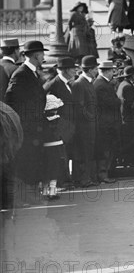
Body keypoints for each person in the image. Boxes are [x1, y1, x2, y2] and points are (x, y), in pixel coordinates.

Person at [5, 40, 48, 201]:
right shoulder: (21, 74)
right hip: (27, 128)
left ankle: (30, 195)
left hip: (35, 127)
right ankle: (24, 197)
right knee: (26, 161)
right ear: (36, 55)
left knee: (33, 159)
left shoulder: (31, 73)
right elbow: (11, 100)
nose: (44, 56)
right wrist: (24, 121)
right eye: (42, 54)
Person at [43, 57, 78, 188]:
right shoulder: (53, 85)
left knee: (66, 154)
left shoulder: (67, 84)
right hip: (58, 128)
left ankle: (65, 181)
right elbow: (47, 108)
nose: (75, 70)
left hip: (67, 127)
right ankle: (60, 183)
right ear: (66, 70)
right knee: (60, 156)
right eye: (73, 68)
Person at [71, 55, 99, 187]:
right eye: (95, 68)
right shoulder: (79, 84)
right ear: (89, 69)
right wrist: (90, 118)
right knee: (83, 152)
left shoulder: (88, 82)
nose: (97, 71)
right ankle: (82, 179)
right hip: (84, 127)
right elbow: (80, 107)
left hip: (89, 125)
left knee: (88, 152)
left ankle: (86, 178)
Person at [93, 61, 120, 184]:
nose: (113, 74)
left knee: (108, 149)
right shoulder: (101, 85)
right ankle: (103, 174)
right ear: (106, 71)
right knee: (105, 150)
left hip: (108, 122)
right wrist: (119, 101)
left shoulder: (103, 83)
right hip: (105, 123)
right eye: (111, 71)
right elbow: (108, 103)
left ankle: (105, 173)